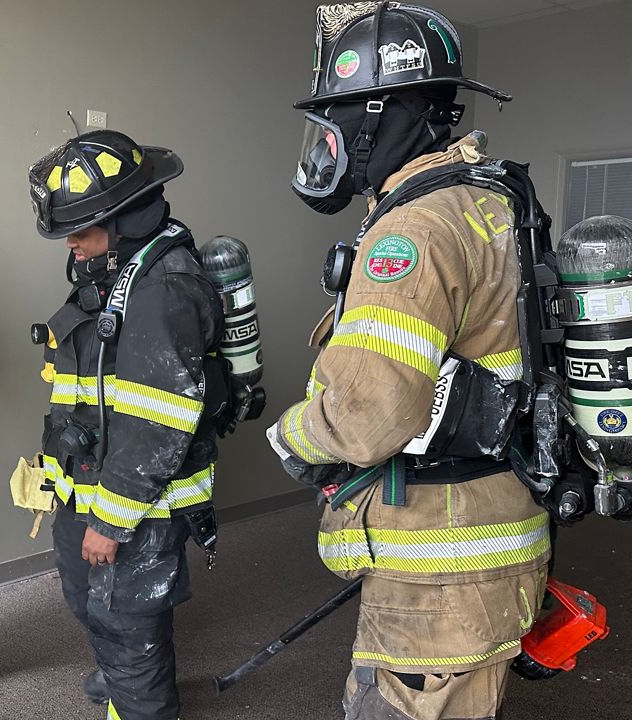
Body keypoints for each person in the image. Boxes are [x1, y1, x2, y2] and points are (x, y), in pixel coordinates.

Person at [270, 4, 551, 718]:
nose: (328, 146)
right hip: (490, 535)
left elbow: (370, 418)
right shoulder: (488, 199)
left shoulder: (413, 231)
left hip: (439, 572)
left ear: (380, 115)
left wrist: (294, 435)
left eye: (337, 121)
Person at [27, 129, 227, 720]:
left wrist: (111, 522)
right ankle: (120, 677)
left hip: (138, 506)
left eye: (81, 232)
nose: (71, 246)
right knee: (89, 604)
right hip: (87, 485)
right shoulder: (118, 274)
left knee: (128, 627)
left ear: (124, 220)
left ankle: (137, 699)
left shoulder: (163, 287)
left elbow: (156, 425)